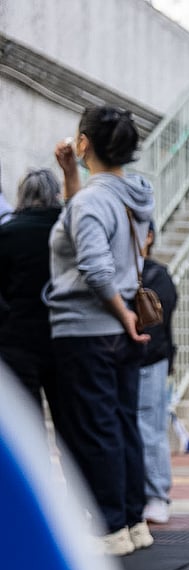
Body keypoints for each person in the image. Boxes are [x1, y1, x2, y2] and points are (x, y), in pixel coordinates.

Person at [46, 105, 155, 556]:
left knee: (95, 429)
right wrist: (72, 175)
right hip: (121, 329)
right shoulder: (134, 193)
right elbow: (85, 222)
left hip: (87, 330)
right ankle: (133, 520)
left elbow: (93, 266)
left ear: (84, 142)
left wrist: (117, 309)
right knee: (123, 424)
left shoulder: (94, 200)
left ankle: (108, 527)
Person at [0, 169, 65, 424]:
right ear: (55, 194)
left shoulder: (8, 234)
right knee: (69, 421)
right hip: (62, 336)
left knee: (28, 422)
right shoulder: (67, 229)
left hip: (17, 341)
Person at [137, 221, 178, 525]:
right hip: (123, 361)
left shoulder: (156, 274)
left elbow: (156, 319)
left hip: (149, 361)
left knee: (150, 428)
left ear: (149, 236)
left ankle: (156, 495)